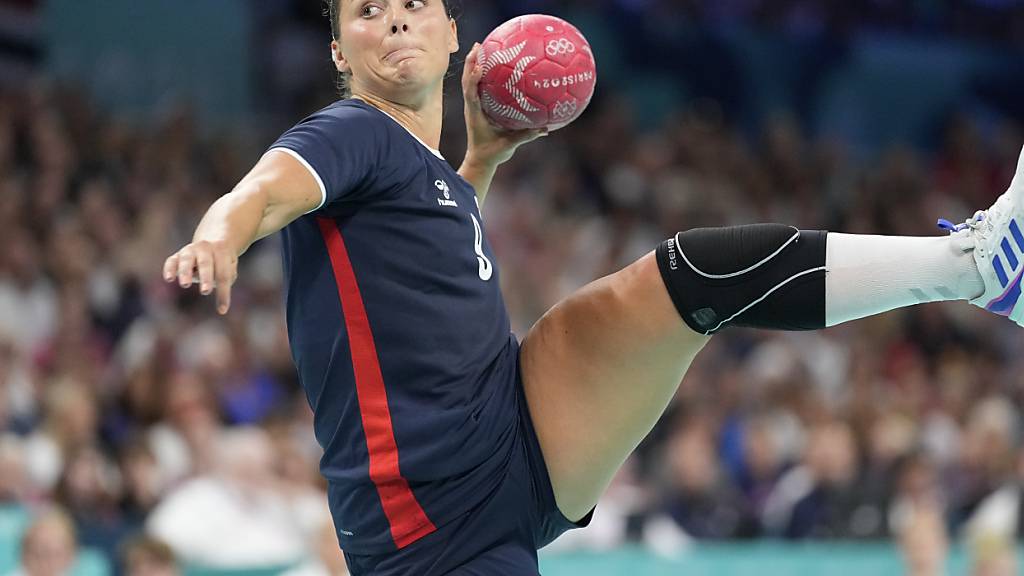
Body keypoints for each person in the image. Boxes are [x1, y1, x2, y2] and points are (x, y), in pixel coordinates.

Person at [163, 0, 1024, 573]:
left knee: (692, 276)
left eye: (412, 3)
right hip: (429, 519)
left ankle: (981, 269)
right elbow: (268, 188)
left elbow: (430, 263)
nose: (392, 21)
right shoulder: (347, 130)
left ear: (454, 31)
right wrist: (219, 235)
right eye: (366, 12)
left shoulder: (428, 171)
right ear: (339, 50)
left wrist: (480, 164)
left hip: (508, 429)